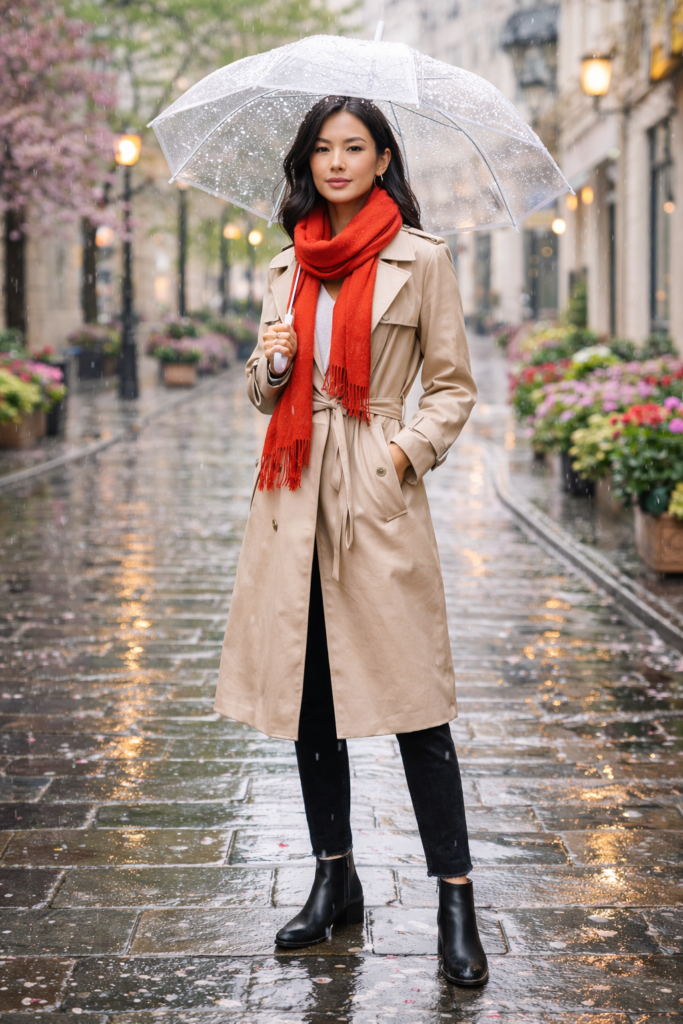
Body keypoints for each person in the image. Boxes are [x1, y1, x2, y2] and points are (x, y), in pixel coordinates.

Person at [214, 95, 485, 986]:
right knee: (309, 699)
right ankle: (335, 883)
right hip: (292, 495)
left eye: (353, 147)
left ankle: (454, 899)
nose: (336, 162)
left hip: (373, 487)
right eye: (322, 148)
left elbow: (451, 385)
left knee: (417, 703)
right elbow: (261, 392)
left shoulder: (421, 259)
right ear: (309, 161)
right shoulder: (289, 263)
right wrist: (277, 363)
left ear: (381, 159)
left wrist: (403, 455)